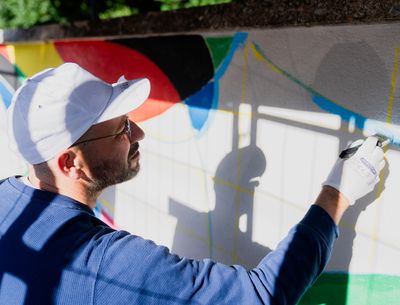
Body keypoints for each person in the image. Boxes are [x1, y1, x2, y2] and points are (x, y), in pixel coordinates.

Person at [0, 62, 385, 305]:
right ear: (72, 163)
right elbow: (261, 295)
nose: (139, 134)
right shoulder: (104, 264)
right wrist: (339, 191)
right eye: (121, 129)